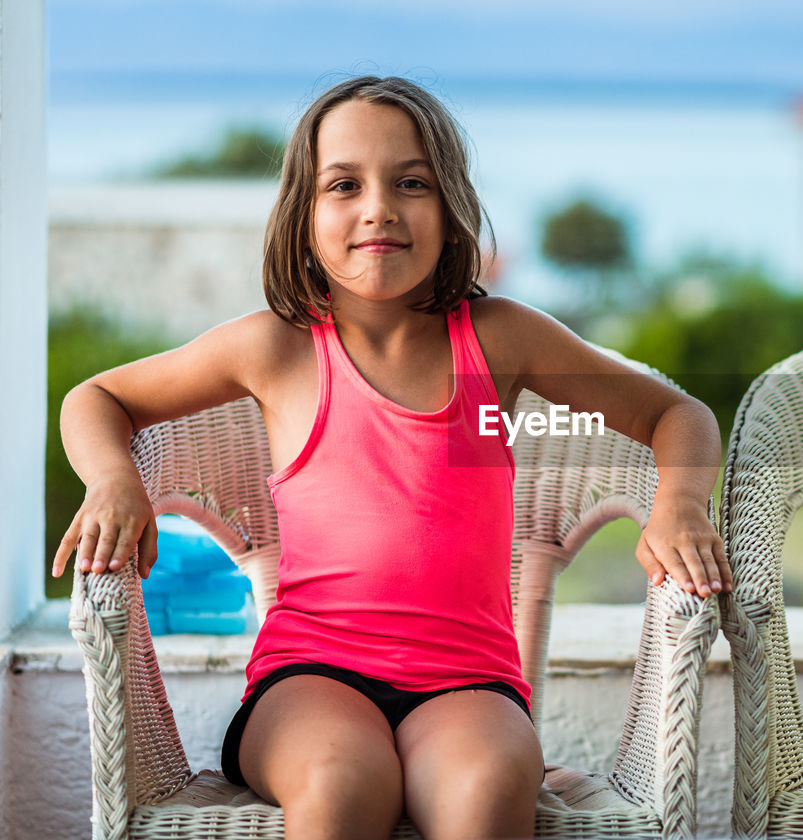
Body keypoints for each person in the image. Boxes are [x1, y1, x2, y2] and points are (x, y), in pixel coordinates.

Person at [51, 75, 728, 840]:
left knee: (486, 792)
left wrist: (679, 504)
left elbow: (678, 413)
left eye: (412, 182)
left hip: (469, 686)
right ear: (305, 215)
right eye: (345, 184)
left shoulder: (502, 338)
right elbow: (96, 398)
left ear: (450, 210)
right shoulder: (274, 347)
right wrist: (114, 481)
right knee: (344, 786)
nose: (379, 207)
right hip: (308, 681)